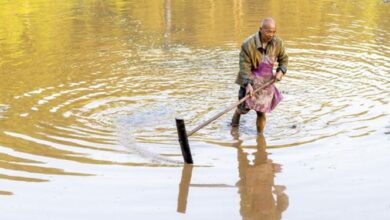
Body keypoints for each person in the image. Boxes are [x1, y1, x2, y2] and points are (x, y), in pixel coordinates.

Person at [231, 17, 288, 133]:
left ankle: (260, 137)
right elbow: (244, 66)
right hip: (250, 80)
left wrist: (281, 71)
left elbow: (284, 59)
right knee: (242, 108)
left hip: (266, 83)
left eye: (273, 31)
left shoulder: (278, 43)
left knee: (261, 112)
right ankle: (234, 128)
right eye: (268, 31)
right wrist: (248, 84)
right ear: (261, 29)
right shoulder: (248, 44)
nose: (271, 34)